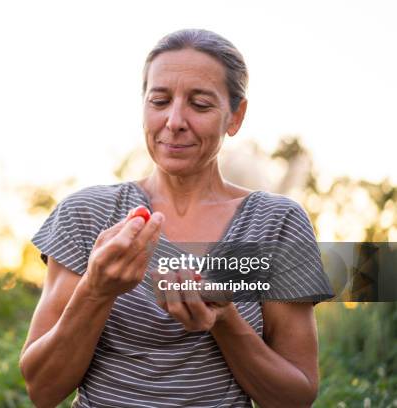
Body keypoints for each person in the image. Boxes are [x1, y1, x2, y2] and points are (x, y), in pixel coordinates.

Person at [19, 28, 333, 407]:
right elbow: (42, 389)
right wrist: (96, 290)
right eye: (159, 101)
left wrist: (224, 320)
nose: (174, 121)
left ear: (235, 116)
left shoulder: (276, 223)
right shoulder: (85, 215)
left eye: (200, 105)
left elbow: (295, 398)